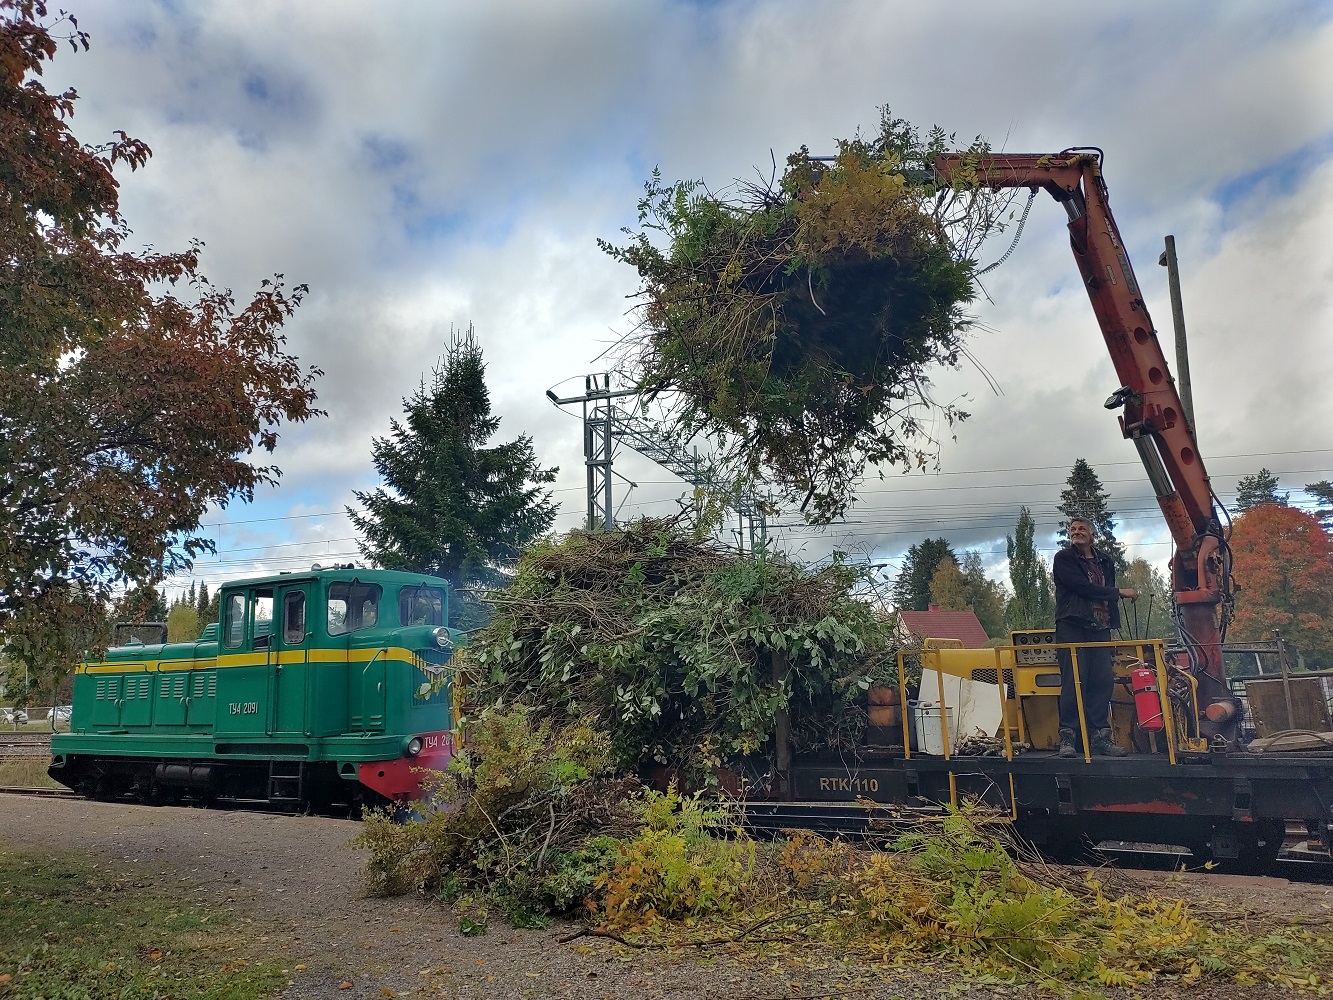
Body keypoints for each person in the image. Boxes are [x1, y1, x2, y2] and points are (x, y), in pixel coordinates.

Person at [1052, 517, 1138, 757]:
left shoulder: (1105, 561)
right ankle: (1068, 737)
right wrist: (1119, 592)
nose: (1076, 532)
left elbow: (1103, 591)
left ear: (1092, 534)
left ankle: (1100, 737)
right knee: (1074, 681)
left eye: (1082, 529)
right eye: (1073, 529)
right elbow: (1081, 587)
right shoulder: (1064, 559)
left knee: (1102, 680)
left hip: (1100, 626)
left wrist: (1112, 613)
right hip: (1073, 624)